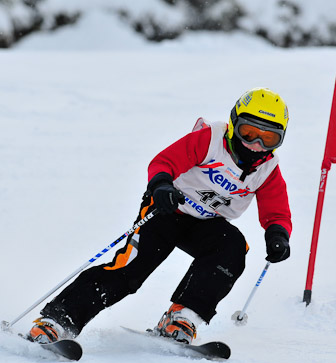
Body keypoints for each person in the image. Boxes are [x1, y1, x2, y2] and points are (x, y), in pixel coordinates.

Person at [28, 87, 292, 345]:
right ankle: (59, 320)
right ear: (234, 124)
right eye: (249, 133)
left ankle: (182, 317)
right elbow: (164, 162)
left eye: (268, 139)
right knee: (130, 271)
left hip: (207, 224)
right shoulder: (210, 139)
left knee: (231, 248)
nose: (256, 145)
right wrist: (162, 185)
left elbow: (276, 209)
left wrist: (278, 233)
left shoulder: (267, 169)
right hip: (167, 209)